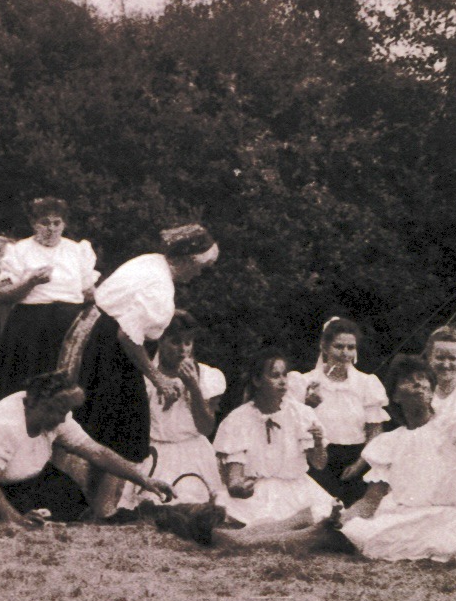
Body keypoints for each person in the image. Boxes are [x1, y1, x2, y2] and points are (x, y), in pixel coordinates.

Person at [67, 223, 218, 517]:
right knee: (124, 431)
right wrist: (157, 377)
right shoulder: (160, 289)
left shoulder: (150, 262)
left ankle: (97, 506)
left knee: (109, 429)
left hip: (100, 342)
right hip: (114, 354)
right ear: (188, 259)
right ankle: (104, 507)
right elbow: (128, 336)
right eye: (202, 266)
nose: (200, 274)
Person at [338, 355, 456, 564]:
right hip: (403, 516)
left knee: (416, 537)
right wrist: (346, 517)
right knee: (357, 530)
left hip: (446, 516)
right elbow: (371, 499)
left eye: (422, 377)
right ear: (395, 395)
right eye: (408, 379)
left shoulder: (453, 423)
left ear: (432, 389)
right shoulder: (389, 442)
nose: (418, 383)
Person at [0, 368, 174, 525]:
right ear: (37, 404)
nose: (63, 418)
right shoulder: (5, 423)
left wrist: (143, 479)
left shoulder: (58, 416)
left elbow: (97, 452)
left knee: (73, 506)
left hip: (24, 479)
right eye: (59, 411)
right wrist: (13, 519)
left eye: (66, 411)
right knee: (29, 520)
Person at [0, 198, 100, 403]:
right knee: (27, 389)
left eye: (57, 223)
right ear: (33, 224)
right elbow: (2, 295)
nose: (51, 228)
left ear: (64, 224)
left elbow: (89, 293)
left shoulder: (77, 250)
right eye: (45, 223)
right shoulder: (19, 250)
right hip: (29, 329)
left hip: (69, 329)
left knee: (65, 390)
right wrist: (30, 282)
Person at [118, 310, 227, 510]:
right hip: (155, 450)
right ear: (160, 341)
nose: (183, 349)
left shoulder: (207, 376)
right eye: (175, 342)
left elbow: (206, 428)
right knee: (152, 503)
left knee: (193, 499)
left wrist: (193, 387)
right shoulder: (145, 378)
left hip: (193, 451)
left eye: (188, 342)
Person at [213, 351, 335, 526]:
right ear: (257, 381)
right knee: (224, 509)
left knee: (320, 513)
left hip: (296, 489)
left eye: (285, 375)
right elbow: (234, 477)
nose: (283, 381)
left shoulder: (301, 413)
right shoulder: (237, 419)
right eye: (275, 376)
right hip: (257, 492)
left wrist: (317, 443)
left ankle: (290, 527)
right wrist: (239, 488)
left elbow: (319, 464)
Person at [287, 316, 389, 506]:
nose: (345, 353)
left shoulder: (367, 383)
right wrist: (307, 405)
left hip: (356, 461)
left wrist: (359, 464)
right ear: (325, 347)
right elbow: (291, 427)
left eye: (350, 347)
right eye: (339, 346)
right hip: (317, 460)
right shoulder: (306, 382)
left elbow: (375, 432)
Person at [424, 326, 456, 414]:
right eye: (440, 358)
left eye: (452, 358)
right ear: (429, 359)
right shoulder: (421, 391)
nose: (446, 365)